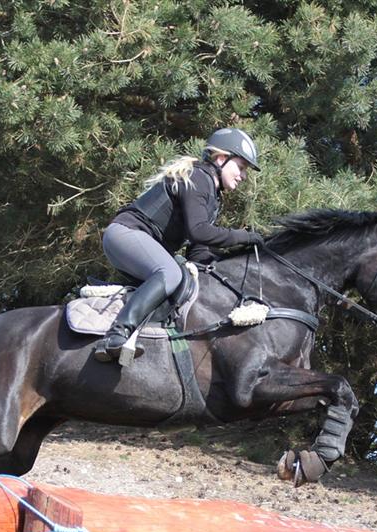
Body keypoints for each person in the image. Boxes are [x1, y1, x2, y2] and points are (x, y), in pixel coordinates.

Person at [93, 127, 264, 362]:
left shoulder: (213, 197)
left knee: (186, 279)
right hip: (126, 233)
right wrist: (243, 236)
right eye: (241, 168)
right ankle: (117, 335)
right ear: (221, 159)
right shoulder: (197, 178)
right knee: (170, 272)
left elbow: (199, 249)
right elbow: (200, 231)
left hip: (141, 242)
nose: (243, 176)